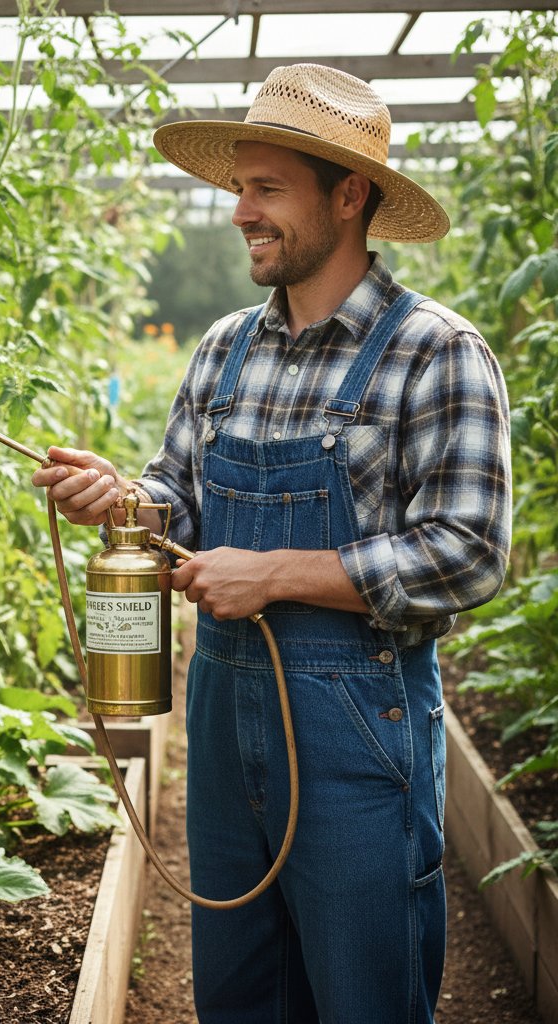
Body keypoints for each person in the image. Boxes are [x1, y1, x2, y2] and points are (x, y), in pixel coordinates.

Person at [32, 64, 511, 1023]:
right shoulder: (223, 348)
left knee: (363, 989)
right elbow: (180, 499)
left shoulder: (436, 351)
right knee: (243, 990)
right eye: (237, 187)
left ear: (349, 194)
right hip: (221, 714)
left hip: (358, 725)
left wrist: (278, 574)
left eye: (266, 189)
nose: (239, 212)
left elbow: (469, 551)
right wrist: (121, 499)